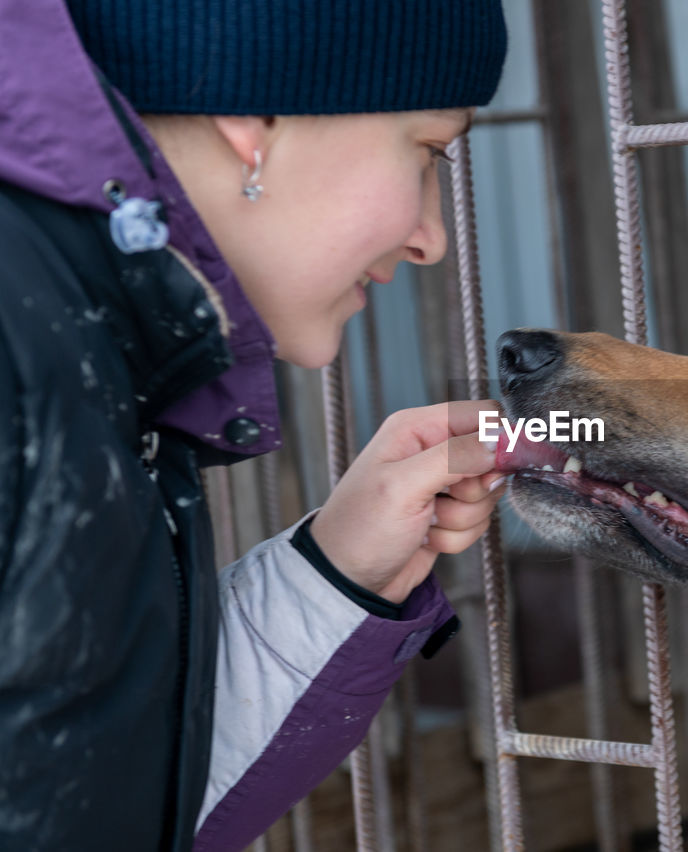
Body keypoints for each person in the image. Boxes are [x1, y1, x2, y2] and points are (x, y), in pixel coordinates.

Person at [0, 1, 508, 849]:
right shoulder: (25, 348)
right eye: (424, 151)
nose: (433, 238)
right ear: (254, 120)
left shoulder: (78, 336)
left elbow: (88, 775)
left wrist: (338, 570)